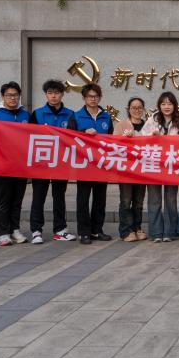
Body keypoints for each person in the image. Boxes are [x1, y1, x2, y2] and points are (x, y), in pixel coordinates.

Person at [28, 79, 77, 244]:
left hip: (61, 162)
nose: (53, 96)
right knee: (38, 197)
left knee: (59, 197)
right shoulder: (37, 114)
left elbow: (74, 138)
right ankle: (36, 231)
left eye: (56, 93)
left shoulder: (70, 114)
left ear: (62, 94)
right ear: (46, 95)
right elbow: (28, 136)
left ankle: (60, 229)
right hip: (41, 162)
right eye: (50, 93)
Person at [68, 83, 113, 244]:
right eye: (89, 96)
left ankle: (97, 230)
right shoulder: (76, 116)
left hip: (101, 164)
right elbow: (69, 137)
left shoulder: (106, 117)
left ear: (100, 97)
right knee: (83, 200)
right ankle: (84, 232)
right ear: (84, 98)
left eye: (96, 96)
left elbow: (111, 139)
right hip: (84, 164)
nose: (93, 99)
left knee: (100, 199)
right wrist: (83, 133)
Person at [0, 81, 30, 247]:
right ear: (3, 96)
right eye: (9, 95)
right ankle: (3, 233)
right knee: (3, 201)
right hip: (3, 167)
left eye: (15, 95)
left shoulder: (26, 115)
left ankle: (15, 229)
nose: (12, 98)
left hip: (21, 166)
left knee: (17, 201)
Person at [143, 91, 179, 242]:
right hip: (154, 165)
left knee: (171, 200)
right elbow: (142, 138)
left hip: (172, 165)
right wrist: (152, 136)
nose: (167, 107)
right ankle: (156, 233)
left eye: (170, 103)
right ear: (159, 106)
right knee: (154, 200)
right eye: (163, 103)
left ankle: (170, 232)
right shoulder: (152, 119)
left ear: (174, 105)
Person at [113, 96, 148, 241]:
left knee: (139, 202)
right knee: (126, 201)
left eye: (139, 108)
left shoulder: (147, 126)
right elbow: (113, 145)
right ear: (128, 109)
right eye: (134, 108)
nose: (137, 110)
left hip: (142, 170)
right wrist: (124, 138)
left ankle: (137, 228)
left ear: (143, 109)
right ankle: (126, 231)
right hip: (126, 171)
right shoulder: (121, 125)